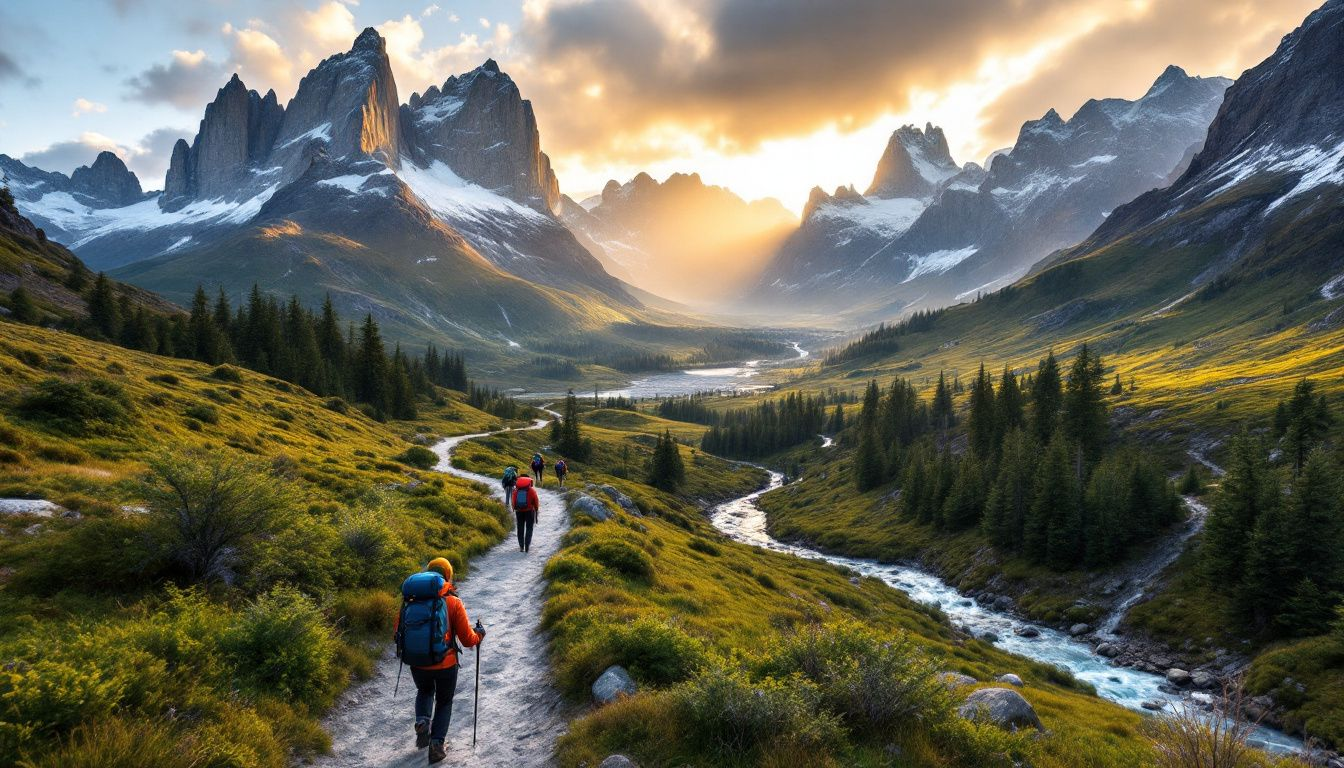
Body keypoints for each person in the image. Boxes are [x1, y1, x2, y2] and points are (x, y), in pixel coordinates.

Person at [395, 557, 484, 764]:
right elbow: (468, 640)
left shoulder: (409, 602)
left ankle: (422, 721)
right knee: (444, 702)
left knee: (424, 691)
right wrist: (480, 634)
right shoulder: (453, 602)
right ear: (447, 575)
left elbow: (398, 633)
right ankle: (436, 744)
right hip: (446, 664)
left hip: (418, 662)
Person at [512, 475, 540, 552]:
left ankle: (521, 547)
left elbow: (513, 502)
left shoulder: (516, 491)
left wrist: (515, 509)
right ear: (529, 483)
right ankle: (527, 546)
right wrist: (536, 509)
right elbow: (536, 501)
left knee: (520, 528)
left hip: (519, 512)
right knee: (529, 528)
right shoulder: (531, 491)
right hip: (529, 512)